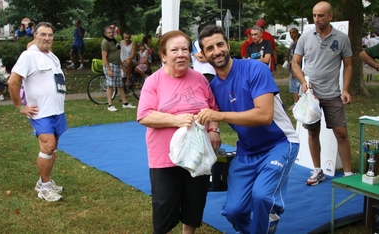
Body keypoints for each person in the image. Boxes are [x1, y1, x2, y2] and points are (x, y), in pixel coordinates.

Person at [196, 25, 299, 234]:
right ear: (204, 55)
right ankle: (260, 227)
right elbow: (211, 112)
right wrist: (213, 129)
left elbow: (264, 115)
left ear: (228, 45)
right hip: (247, 150)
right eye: (210, 48)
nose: (217, 51)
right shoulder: (213, 86)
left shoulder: (254, 69)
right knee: (234, 211)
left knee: (261, 196)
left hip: (279, 143)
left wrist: (219, 117)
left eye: (220, 44)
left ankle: (265, 223)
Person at [137, 30, 221, 234]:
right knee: (164, 204)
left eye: (185, 49)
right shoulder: (153, 82)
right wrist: (175, 120)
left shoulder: (200, 79)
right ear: (164, 55)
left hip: (197, 153)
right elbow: (144, 115)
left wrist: (214, 130)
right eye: (174, 50)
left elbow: (213, 108)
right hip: (164, 157)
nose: (181, 54)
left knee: (195, 201)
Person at [292, 1, 353, 185]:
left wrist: (345, 89)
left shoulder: (342, 38)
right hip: (311, 96)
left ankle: (349, 176)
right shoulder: (305, 37)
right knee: (312, 133)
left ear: (330, 16)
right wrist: (303, 82)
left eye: (321, 15)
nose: (317, 19)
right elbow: (295, 62)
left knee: (341, 133)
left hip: (333, 94)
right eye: (314, 15)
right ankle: (317, 170)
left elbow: (349, 65)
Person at [8, 22, 67, 202]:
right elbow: (13, 81)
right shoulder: (28, 56)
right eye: (43, 34)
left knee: (53, 146)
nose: (47, 38)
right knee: (48, 145)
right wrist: (19, 106)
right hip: (40, 111)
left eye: (50, 35)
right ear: (35, 36)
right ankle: (44, 186)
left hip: (57, 110)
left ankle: (45, 181)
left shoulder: (53, 56)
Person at [101, 26, 136, 112]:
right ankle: (110, 105)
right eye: (109, 32)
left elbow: (117, 54)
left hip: (116, 65)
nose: (111, 34)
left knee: (120, 85)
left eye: (112, 32)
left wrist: (122, 66)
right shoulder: (105, 42)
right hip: (110, 65)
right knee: (110, 86)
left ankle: (125, 103)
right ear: (105, 33)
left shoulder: (113, 41)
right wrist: (109, 69)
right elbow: (104, 57)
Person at [286, 28, 301, 111]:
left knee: (295, 86)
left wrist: (296, 69)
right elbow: (289, 55)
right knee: (294, 85)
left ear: (297, 33)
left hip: (297, 68)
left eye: (293, 32)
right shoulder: (292, 43)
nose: (292, 34)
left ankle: (297, 103)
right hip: (293, 68)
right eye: (290, 33)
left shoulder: (299, 43)